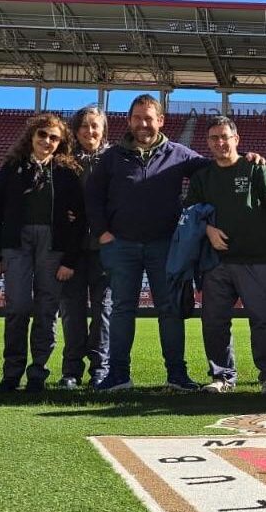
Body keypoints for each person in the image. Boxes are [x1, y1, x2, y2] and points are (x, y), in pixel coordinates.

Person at [85, 94, 206, 393]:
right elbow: (93, 197)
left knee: (170, 310)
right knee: (122, 310)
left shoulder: (179, 154)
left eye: (149, 118)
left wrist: (246, 159)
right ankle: (118, 375)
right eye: (137, 118)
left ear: (161, 121)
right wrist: (102, 232)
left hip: (164, 246)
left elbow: (215, 168)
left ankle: (176, 375)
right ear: (129, 121)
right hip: (121, 245)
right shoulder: (112, 157)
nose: (143, 124)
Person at [184, 116, 266, 395]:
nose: (220, 142)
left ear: (236, 139)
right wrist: (207, 230)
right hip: (216, 263)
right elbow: (190, 214)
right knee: (214, 322)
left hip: (258, 260)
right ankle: (222, 376)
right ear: (208, 143)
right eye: (214, 138)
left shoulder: (256, 168)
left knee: (265, 321)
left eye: (225, 137)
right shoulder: (202, 177)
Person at [0, 114, 85, 393]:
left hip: (53, 245)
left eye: (54, 137)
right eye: (42, 134)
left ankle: (37, 372)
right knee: (18, 307)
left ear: (61, 142)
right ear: (31, 136)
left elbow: (79, 219)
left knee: (46, 310)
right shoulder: (12, 167)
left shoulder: (67, 172)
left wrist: (69, 260)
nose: (47, 141)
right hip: (16, 242)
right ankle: (12, 372)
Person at [57, 105, 112, 390]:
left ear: (103, 129)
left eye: (95, 125)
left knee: (103, 312)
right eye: (84, 126)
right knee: (72, 312)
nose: (89, 131)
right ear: (75, 130)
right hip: (72, 250)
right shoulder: (63, 162)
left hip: (105, 249)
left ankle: (101, 369)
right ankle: (71, 370)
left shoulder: (115, 159)